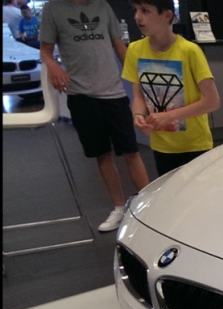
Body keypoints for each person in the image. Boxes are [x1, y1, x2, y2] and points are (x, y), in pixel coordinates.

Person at [40, 0, 151, 232]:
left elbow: (119, 45)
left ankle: (150, 205)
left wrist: (141, 81)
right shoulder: (53, 9)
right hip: (81, 95)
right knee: (102, 154)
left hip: (114, 92)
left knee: (131, 151)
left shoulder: (102, 6)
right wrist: (53, 66)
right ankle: (118, 207)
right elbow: (45, 51)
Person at [122, 0, 219, 177]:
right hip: (161, 146)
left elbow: (212, 101)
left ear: (167, 16)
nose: (137, 17)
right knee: (170, 192)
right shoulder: (134, 50)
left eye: (145, 11)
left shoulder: (190, 51)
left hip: (194, 145)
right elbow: (138, 96)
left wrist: (170, 116)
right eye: (135, 10)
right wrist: (138, 115)